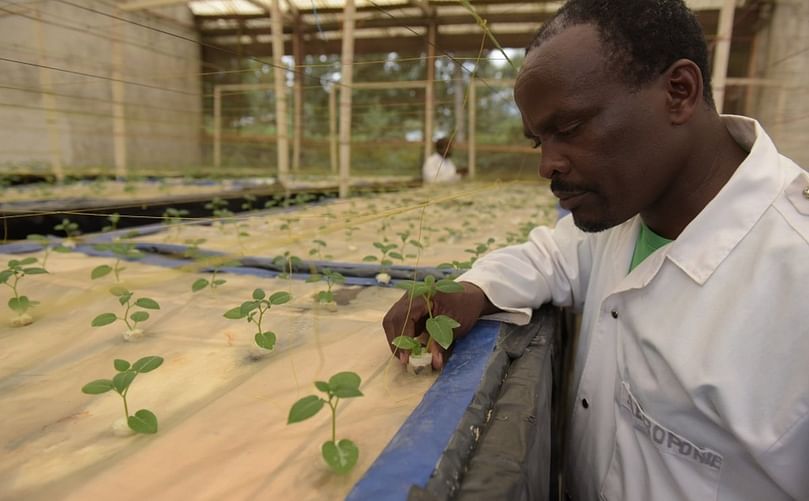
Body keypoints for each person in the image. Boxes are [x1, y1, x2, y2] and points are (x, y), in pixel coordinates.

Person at [382, 0, 809, 499]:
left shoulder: (793, 272)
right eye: (537, 141)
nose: (547, 165)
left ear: (679, 92)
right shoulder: (624, 214)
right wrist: (473, 288)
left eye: (567, 129)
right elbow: (550, 257)